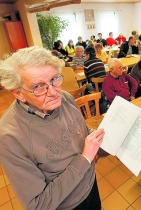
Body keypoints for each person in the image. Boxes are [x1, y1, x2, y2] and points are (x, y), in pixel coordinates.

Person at [0, 46, 105, 210]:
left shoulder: (66, 98)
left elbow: (81, 132)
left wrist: (103, 137)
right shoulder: (9, 136)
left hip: (91, 185)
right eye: (38, 87)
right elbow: (38, 205)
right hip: (68, 206)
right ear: (18, 93)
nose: (54, 92)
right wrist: (84, 159)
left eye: (55, 79)